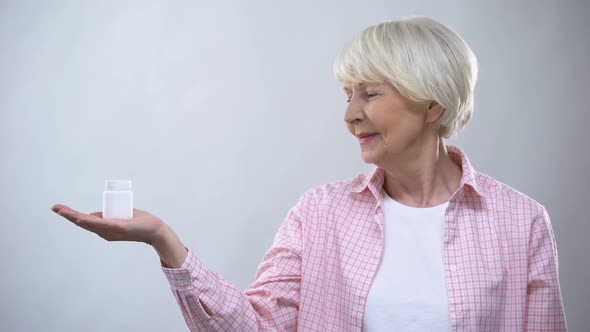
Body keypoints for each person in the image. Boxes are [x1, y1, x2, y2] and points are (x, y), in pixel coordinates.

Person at [51, 16, 567, 331]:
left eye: (370, 93)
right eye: (348, 96)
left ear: (433, 103)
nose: (350, 115)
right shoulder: (319, 213)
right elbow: (255, 328)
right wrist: (165, 242)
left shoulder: (520, 222)